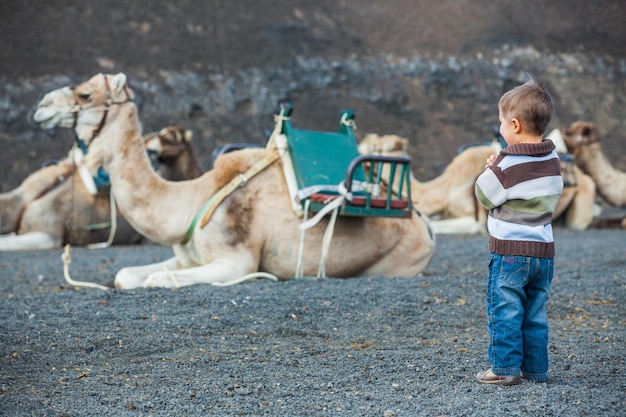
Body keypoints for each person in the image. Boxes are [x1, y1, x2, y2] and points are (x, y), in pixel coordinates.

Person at [474, 74, 563, 385]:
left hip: (510, 253)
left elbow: (485, 195)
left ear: (514, 125)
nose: (499, 129)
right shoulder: (554, 160)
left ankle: (504, 369)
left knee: (506, 310)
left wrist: (493, 167)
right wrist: (502, 162)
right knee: (534, 314)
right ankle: (536, 370)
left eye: (500, 123)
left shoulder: (508, 165)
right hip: (543, 255)